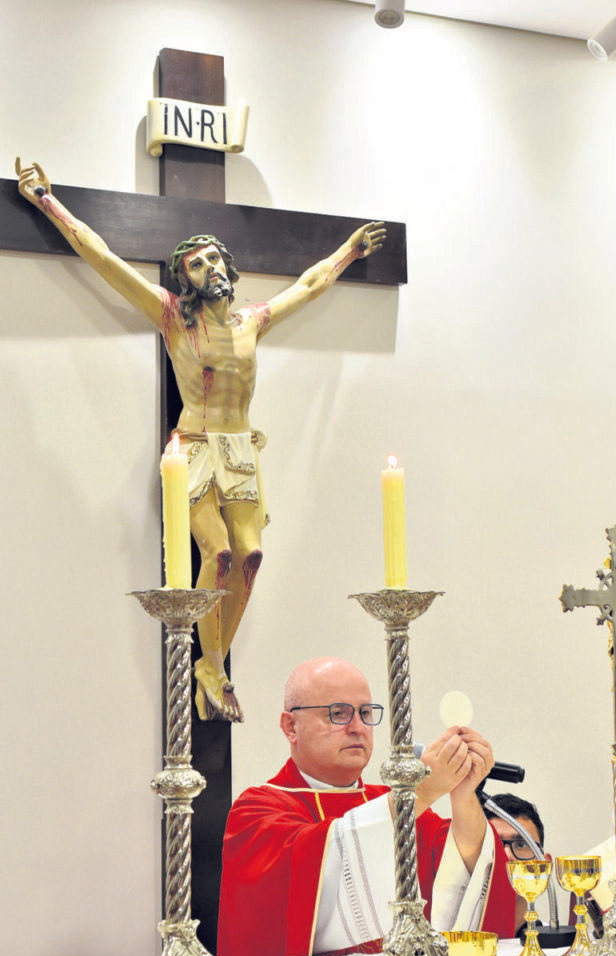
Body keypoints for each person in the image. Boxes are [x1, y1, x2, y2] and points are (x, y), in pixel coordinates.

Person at [16, 158, 386, 723]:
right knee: (215, 554)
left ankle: (213, 663)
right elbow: (103, 258)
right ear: (182, 279)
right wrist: (47, 201)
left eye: (213, 257)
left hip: (239, 450)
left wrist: (349, 252)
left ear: (227, 266)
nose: (207, 267)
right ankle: (208, 664)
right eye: (194, 264)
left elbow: (309, 286)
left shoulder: (251, 322)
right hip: (193, 445)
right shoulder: (171, 319)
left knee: (252, 556)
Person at [217, 656, 516, 956]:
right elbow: (312, 865)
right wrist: (421, 789)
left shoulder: (389, 802)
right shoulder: (256, 810)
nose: (357, 728)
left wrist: (463, 796)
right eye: (339, 713)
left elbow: (460, 866)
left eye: (365, 713)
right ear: (290, 726)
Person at [483, 792, 549, 935]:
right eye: (495, 843)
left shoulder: (559, 952)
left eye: (521, 844)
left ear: (544, 867)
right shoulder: (442, 947)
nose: (506, 856)